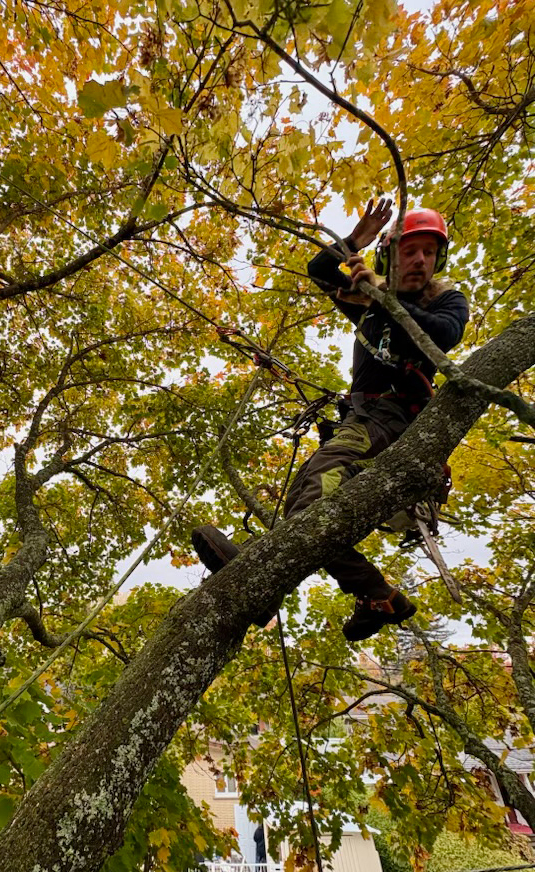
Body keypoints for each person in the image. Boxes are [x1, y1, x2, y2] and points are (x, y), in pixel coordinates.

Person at [192, 199, 469, 641]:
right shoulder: (371, 307)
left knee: (319, 489)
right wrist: (356, 240)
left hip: (392, 416)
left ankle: (262, 582)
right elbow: (320, 270)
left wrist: (381, 297)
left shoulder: (444, 300)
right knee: (304, 497)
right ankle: (377, 595)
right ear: (389, 257)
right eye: (409, 251)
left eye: (429, 252)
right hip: (361, 417)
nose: (420, 260)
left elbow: (444, 335)